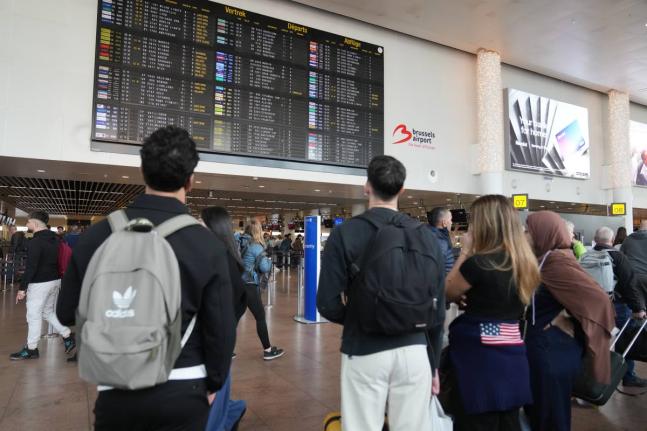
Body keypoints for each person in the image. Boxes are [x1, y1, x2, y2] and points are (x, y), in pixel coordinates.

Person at [56, 126, 236, 430]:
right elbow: (221, 329)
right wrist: (214, 384)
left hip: (115, 389)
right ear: (191, 180)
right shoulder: (206, 245)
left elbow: (66, 312)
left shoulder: (97, 236)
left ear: (142, 171)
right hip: (184, 386)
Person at [317, 155, 445, 431]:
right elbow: (437, 311)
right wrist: (433, 364)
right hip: (415, 351)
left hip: (364, 348)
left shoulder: (346, 234)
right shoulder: (426, 237)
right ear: (401, 191)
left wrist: (362, 316)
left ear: (367, 187)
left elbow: (326, 303)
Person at [444, 195, 540, 431]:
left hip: (478, 361)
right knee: (508, 422)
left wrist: (466, 251)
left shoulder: (478, 263)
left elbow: (447, 290)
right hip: (512, 354)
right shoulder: (524, 263)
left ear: (485, 224)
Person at [525, 211, 615, 431]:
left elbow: (600, 301)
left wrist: (568, 322)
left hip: (551, 353)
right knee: (544, 415)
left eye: (529, 231)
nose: (525, 235)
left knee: (551, 418)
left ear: (543, 233)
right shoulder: (547, 259)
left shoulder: (556, 261)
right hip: (546, 350)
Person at [201, 206, 248, 431]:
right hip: (222, 341)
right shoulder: (228, 257)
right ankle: (234, 410)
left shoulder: (218, 261)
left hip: (215, 343)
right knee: (220, 398)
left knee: (213, 409)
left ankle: (233, 410)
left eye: (200, 224)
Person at [10, 211, 76, 360]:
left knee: (33, 315)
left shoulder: (36, 242)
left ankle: (31, 348)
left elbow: (31, 267)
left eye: (28, 222)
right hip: (55, 280)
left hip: (40, 283)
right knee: (47, 313)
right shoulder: (56, 239)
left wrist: (22, 288)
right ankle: (67, 335)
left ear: (35, 223)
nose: (26, 225)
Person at [591, 226, 647, 387]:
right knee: (627, 336)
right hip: (622, 300)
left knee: (604, 339)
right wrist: (638, 309)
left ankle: (597, 377)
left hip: (599, 304)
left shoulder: (589, 255)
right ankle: (628, 375)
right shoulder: (617, 256)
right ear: (612, 237)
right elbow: (628, 283)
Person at [239, 220, 284, 360]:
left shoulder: (240, 242)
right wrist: (269, 261)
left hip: (238, 283)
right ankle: (268, 350)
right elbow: (264, 268)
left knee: (234, 318)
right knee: (260, 317)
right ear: (258, 231)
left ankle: (225, 350)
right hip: (250, 284)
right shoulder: (256, 247)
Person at [427, 207, 455, 274]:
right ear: (444, 223)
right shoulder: (441, 241)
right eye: (450, 220)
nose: (451, 222)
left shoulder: (427, 234)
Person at [621, 220, 647, 289]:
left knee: (637, 298)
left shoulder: (628, 239)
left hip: (632, 276)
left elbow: (621, 256)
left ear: (639, 227)